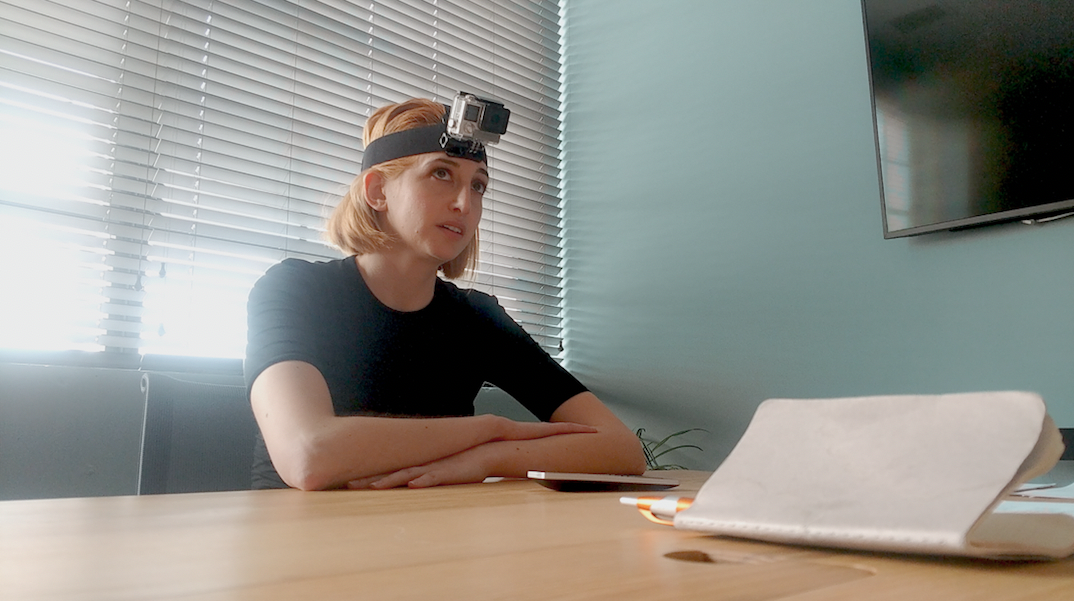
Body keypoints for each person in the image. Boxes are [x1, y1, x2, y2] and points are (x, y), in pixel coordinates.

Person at [244, 96, 645, 491]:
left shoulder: (475, 317)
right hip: (299, 540)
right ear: (377, 190)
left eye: (479, 186)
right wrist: (491, 429)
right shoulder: (295, 289)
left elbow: (622, 449)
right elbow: (309, 456)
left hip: (431, 536)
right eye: (441, 174)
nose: (464, 203)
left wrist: (491, 456)